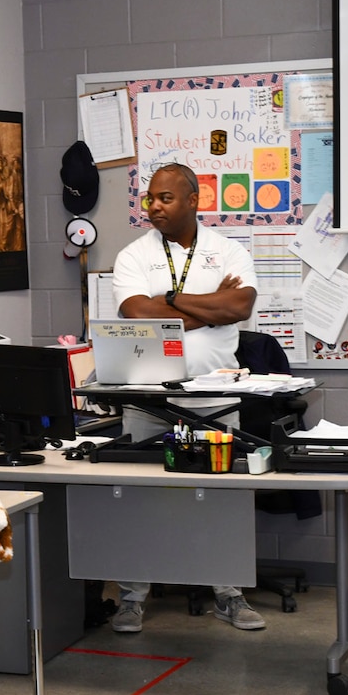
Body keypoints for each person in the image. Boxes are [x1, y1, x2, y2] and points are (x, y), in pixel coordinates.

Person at [108, 161, 265, 634]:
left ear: (194, 201)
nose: (153, 206)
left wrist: (172, 302)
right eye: (149, 198)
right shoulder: (133, 256)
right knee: (139, 499)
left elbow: (240, 305)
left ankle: (228, 593)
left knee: (220, 499)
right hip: (149, 397)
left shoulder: (228, 251)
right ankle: (132, 596)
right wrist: (204, 305)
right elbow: (138, 316)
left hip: (213, 397)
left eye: (164, 198)